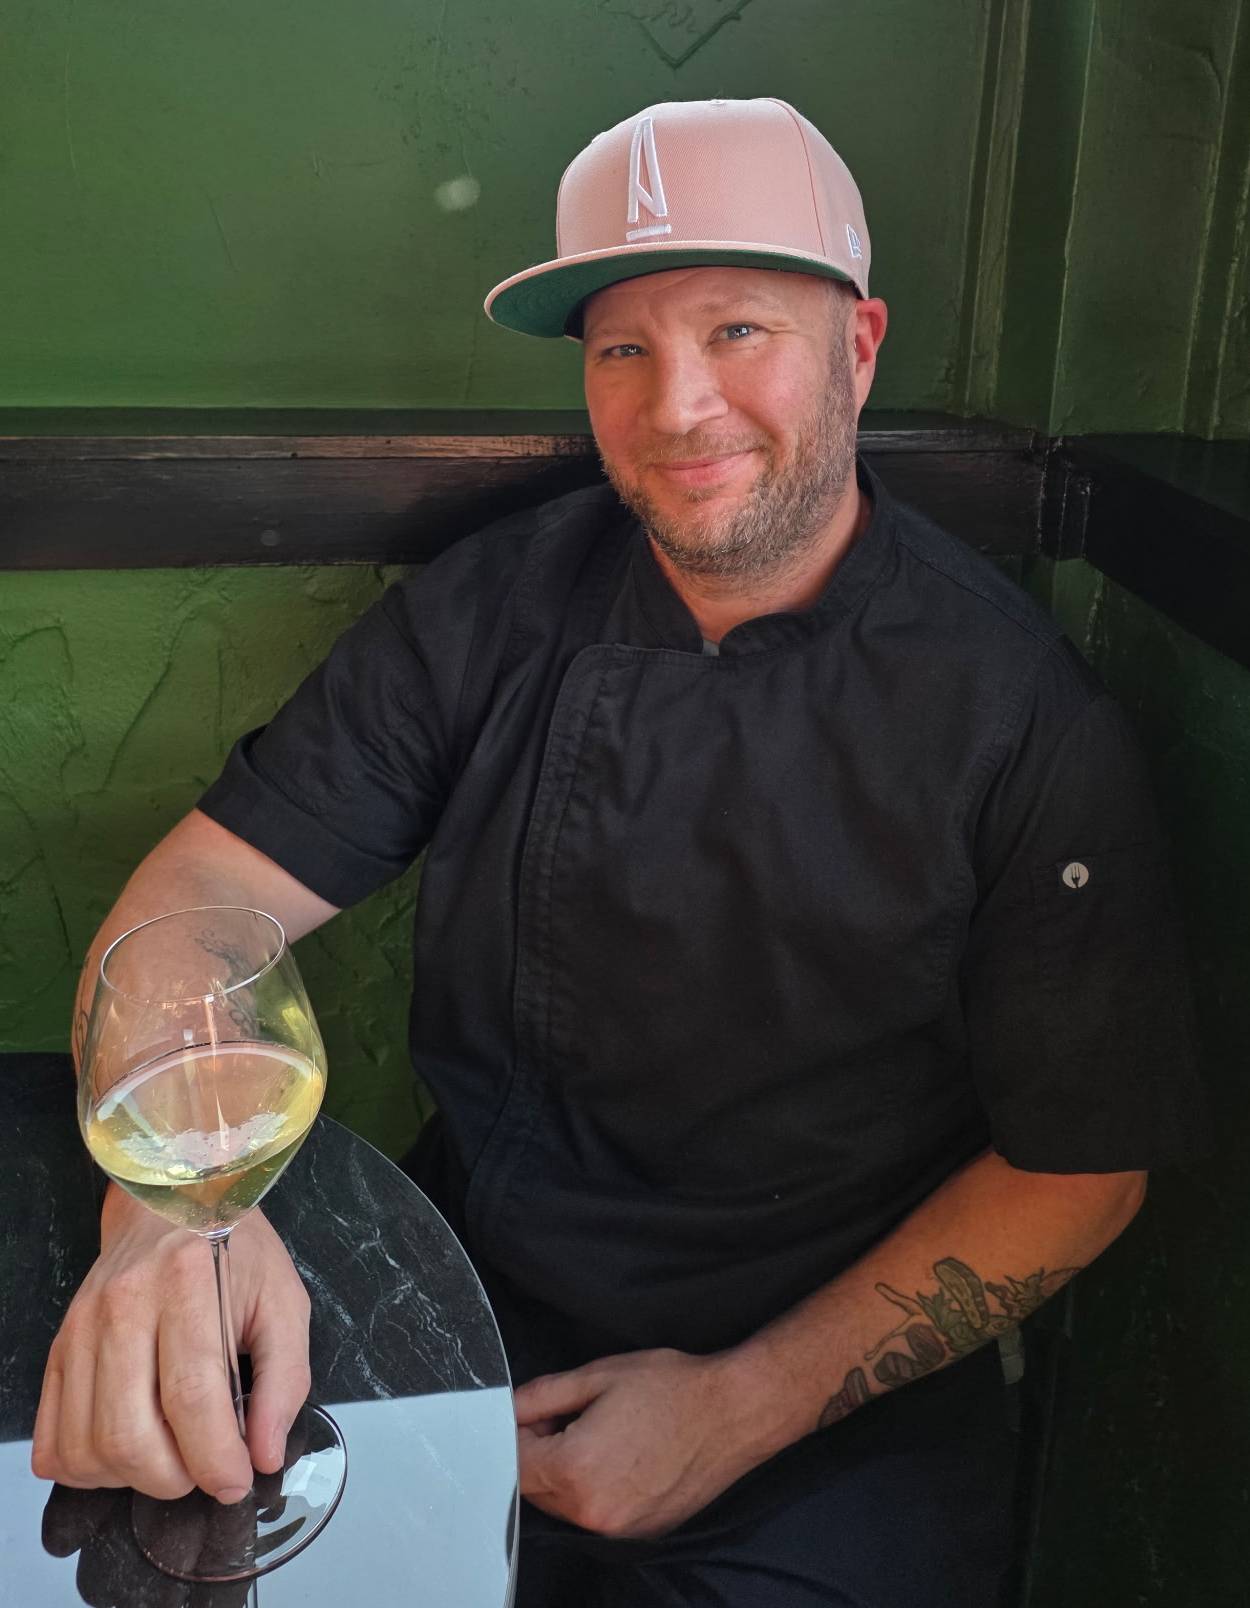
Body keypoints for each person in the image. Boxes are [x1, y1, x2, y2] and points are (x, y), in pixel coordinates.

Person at [34, 98, 1206, 1605]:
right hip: (453, 1285)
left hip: (829, 1381)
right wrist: (182, 1208)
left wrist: (743, 1404)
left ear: (856, 348)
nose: (676, 409)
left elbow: (1082, 1167)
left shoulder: (1017, 713)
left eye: (736, 331)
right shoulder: (492, 608)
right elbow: (204, 897)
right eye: (622, 349)